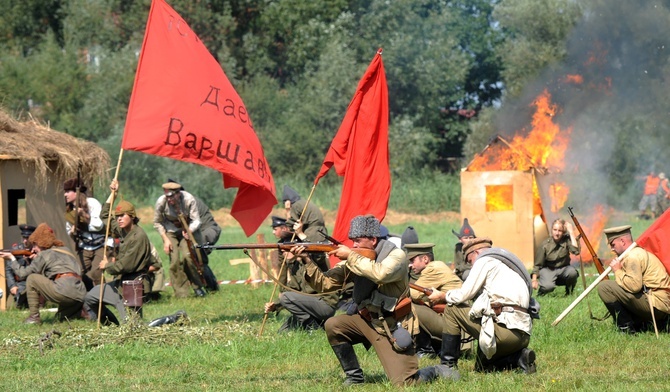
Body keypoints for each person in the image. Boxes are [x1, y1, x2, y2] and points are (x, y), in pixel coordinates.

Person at [300, 215, 447, 386]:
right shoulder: (356, 258)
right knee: (333, 325)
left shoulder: (396, 255)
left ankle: (435, 370)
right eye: (352, 241)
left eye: (358, 240)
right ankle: (354, 377)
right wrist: (306, 260)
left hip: (392, 325)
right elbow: (325, 284)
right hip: (367, 319)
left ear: (373, 239)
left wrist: (351, 257)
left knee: (406, 383)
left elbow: (381, 274)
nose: (353, 245)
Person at [428, 237, 536, 377]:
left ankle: (447, 366)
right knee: (482, 367)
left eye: (469, 260)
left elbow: (463, 294)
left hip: (504, 332)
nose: (470, 265)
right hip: (523, 337)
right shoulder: (508, 267)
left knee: (451, 308)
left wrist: (442, 296)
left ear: (477, 252)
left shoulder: (484, 261)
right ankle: (519, 358)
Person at [84, 180, 159, 324]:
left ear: (132, 216)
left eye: (122, 216)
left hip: (133, 287)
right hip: (120, 285)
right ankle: (112, 327)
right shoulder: (123, 230)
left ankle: (173, 319)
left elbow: (125, 266)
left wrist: (106, 265)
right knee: (91, 298)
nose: (119, 219)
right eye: (117, 216)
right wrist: (113, 194)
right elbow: (105, 216)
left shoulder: (138, 237)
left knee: (133, 327)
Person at [264, 215, 339, 332]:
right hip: (311, 307)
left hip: (325, 304)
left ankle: (312, 328)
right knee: (283, 332)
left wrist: (301, 234)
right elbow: (292, 292)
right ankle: (316, 324)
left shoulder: (313, 260)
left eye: (285, 249)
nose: (283, 253)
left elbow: (317, 254)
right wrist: (275, 306)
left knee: (286, 298)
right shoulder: (295, 267)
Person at [0, 223, 86, 324]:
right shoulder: (66, 250)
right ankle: (84, 313)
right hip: (80, 293)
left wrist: (12, 259)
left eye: (34, 245)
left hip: (63, 291)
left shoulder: (44, 255)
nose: (33, 249)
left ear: (40, 243)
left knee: (32, 278)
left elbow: (22, 274)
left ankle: (34, 317)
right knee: (60, 319)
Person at [597, 225, 670, 334]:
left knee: (605, 287)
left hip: (657, 305)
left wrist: (617, 270)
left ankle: (626, 328)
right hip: (661, 304)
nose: (612, 249)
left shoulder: (632, 257)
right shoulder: (637, 252)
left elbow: (634, 287)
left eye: (613, 244)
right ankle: (640, 324)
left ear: (622, 241)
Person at [153, 180, 210, 298]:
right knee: (174, 261)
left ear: (178, 193)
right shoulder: (161, 202)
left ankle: (197, 287)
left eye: (172, 196)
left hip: (187, 230)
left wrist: (190, 230)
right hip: (170, 231)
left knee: (188, 257)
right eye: (167, 196)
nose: (169, 199)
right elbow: (157, 222)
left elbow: (197, 220)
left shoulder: (189, 199)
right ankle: (181, 293)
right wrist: (165, 239)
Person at [406, 243, 463, 358]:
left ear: (425, 259)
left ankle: (425, 350)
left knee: (410, 306)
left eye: (412, 260)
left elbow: (414, 294)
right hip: (456, 322)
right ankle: (436, 347)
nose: (410, 265)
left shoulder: (433, 268)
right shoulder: (438, 266)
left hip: (454, 324)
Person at [63, 177, 109, 291]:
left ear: (76, 192)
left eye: (68, 191)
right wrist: (73, 231)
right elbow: (69, 230)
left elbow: (99, 225)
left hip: (101, 244)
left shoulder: (92, 203)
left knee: (96, 273)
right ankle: (88, 297)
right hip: (85, 246)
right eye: (65, 191)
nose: (65, 194)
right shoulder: (69, 210)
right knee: (78, 272)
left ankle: (102, 298)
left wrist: (84, 214)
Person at [532, 219, 580, 296]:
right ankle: (541, 293)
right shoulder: (545, 245)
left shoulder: (566, 240)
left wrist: (571, 232)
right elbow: (537, 265)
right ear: (551, 230)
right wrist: (534, 280)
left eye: (560, 231)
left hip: (564, 269)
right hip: (548, 269)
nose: (557, 233)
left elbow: (576, 251)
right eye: (555, 230)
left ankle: (569, 292)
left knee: (572, 273)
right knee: (548, 287)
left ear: (563, 232)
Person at [4, 224, 36, 309]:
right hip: (19, 284)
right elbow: (8, 270)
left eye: (28, 238)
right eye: (23, 238)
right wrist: (12, 286)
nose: (25, 241)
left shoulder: (37, 250)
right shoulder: (16, 249)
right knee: (10, 307)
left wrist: (30, 259)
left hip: (34, 284)